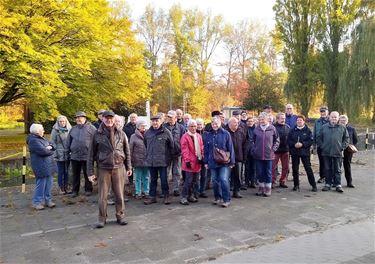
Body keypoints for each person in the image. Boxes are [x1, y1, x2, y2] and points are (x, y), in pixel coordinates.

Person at [87, 110, 132, 228]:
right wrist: (90, 172)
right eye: (106, 118)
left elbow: (127, 151)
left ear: (114, 119)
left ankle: (120, 216)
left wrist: (129, 166)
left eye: (111, 118)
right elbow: (91, 154)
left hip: (119, 167)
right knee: (103, 196)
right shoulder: (97, 134)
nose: (109, 120)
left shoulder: (121, 133)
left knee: (119, 195)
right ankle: (102, 218)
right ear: (103, 119)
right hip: (103, 168)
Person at [204, 116, 235, 208]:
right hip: (212, 162)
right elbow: (206, 149)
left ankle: (226, 199)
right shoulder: (208, 135)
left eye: (216, 123)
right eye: (213, 123)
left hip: (224, 162)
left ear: (220, 123)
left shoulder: (226, 134)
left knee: (223, 179)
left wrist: (232, 162)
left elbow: (230, 148)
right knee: (215, 180)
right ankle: (217, 198)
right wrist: (205, 162)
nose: (214, 125)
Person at [144, 114, 174, 205]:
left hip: (162, 161)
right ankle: (152, 197)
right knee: (152, 180)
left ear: (161, 121)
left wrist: (168, 158)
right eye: (153, 121)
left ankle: (166, 196)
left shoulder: (166, 132)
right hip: (151, 161)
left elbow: (171, 145)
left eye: (157, 121)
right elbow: (145, 144)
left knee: (164, 180)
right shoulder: (147, 133)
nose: (155, 122)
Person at [67, 111, 97, 197]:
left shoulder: (92, 128)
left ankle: (88, 189)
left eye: (79, 117)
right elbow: (69, 141)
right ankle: (75, 191)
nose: (77, 119)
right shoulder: (73, 129)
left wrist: (94, 154)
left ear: (84, 118)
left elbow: (96, 141)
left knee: (88, 173)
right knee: (75, 174)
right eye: (76, 118)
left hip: (87, 155)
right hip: (75, 156)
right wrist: (67, 151)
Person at [27, 124, 57, 210]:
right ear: (37, 131)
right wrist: (50, 149)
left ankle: (48, 200)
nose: (43, 131)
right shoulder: (33, 140)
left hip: (48, 165)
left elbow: (53, 144)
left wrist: (49, 147)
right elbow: (43, 152)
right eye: (42, 129)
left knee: (49, 184)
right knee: (40, 185)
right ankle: (37, 202)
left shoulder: (41, 138)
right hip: (40, 166)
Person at [318, 111, 349, 193]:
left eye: (335, 117)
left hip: (337, 152)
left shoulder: (342, 127)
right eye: (332, 117)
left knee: (337, 169)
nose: (334, 118)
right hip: (326, 152)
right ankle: (328, 184)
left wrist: (342, 147)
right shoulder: (324, 127)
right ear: (329, 117)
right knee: (327, 168)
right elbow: (319, 138)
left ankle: (338, 184)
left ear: (338, 118)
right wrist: (323, 146)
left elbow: (346, 139)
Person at [251, 112, 280, 197]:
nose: (261, 121)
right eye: (260, 119)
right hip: (258, 155)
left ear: (267, 119)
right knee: (260, 172)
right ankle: (261, 187)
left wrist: (273, 149)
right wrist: (254, 149)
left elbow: (277, 140)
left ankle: (268, 188)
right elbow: (252, 141)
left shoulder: (272, 128)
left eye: (263, 119)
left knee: (268, 172)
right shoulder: (256, 129)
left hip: (269, 155)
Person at [288, 115, 317, 192]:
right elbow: (288, 140)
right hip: (294, 152)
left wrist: (303, 144)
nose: (299, 121)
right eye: (298, 120)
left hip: (305, 152)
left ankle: (313, 185)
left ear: (304, 121)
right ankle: (296, 185)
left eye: (301, 120)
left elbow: (310, 141)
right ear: (296, 121)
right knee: (295, 169)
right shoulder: (292, 130)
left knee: (308, 168)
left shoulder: (308, 130)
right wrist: (294, 144)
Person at [180, 119, 204, 205]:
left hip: (197, 162)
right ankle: (184, 197)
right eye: (191, 126)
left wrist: (202, 157)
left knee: (195, 181)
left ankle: (191, 196)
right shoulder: (185, 137)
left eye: (194, 126)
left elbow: (201, 148)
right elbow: (184, 150)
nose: (193, 128)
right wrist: (187, 161)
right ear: (188, 127)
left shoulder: (198, 136)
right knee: (188, 181)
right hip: (189, 163)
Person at [164, 110, 185, 196]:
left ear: (175, 118)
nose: (169, 119)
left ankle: (176, 189)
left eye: (171, 117)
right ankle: (165, 189)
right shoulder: (163, 127)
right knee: (165, 172)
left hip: (177, 153)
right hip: (166, 153)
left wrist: (182, 151)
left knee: (177, 172)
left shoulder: (181, 128)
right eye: (168, 117)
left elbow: (183, 141)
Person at [226, 117, 247, 198]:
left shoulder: (241, 132)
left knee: (237, 176)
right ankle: (226, 192)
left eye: (237, 122)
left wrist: (244, 156)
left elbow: (245, 144)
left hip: (238, 157)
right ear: (230, 124)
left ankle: (236, 191)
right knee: (226, 177)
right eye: (235, 122)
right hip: (227, 159)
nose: (237, 124)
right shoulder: (226, 132)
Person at [51, 115, 72, 194]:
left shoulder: (70, 129)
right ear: (58, 122)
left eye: (63, 121)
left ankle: (67, 186)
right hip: (59, 153)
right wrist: (56, 151)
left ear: (66, 121)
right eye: (60, 121)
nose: (62, 123)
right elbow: (52, 142)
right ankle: (61, 187)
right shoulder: (55, 130)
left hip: (68, 152)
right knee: (61, 171)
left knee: (67, 171)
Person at [129, 120, 150, 199]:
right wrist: (130, 161)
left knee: (146, 177)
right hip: (137, 160)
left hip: (147, 160)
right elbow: (130, 149)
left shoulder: (148, 135)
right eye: (142, 126)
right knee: (137, 178)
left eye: (145, 125)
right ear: (138, 127)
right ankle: (138, 192)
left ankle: (146, 191)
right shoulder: (133, 136)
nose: (144, 127)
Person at [339, 115, 358, 188]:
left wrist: (351, 146)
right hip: (338, 150)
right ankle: (337, 183)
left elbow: (355, 140)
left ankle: (349, 182)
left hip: (348, 151)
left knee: (347, 166)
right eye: (341, 120)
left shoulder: (351, 129)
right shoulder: (336, 128)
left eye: (344, 120)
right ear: (339, 121)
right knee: (337, 167)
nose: (343, 121)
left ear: (347, 121)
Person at [272, 113, 290, 188]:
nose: (283, 120)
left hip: (285, 150)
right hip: (275, 151)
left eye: (284, 118)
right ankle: (272, 181)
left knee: (285, 167)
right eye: (282, 118)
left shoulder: (287, 127)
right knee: (273, 167)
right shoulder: (273, 127)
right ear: (277, 119)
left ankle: (283, 181)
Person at [313, 106, 330, 183]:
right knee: (321, 162)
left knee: (329, 161)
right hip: (320, 145)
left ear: (327, 112)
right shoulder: (317, 121)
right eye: (321, 111)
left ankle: (329, 177)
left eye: (324, 111)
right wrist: (314, 145)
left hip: (329, 145)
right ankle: (322, 177)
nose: (323, 113)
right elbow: (314, 133)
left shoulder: (330, 120)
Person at [195, 118, 208, 197]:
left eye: (201, 124)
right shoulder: (193, 134)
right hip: (196, 158)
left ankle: (202, 190)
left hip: (205, 157)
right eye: (198, 124)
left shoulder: (207, 134)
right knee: (196, 176)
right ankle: (196, 190)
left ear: (203, 125)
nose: (199, 126)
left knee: (204, 175)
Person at [245, 115, 257, 188]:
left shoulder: (256, 129)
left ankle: (253, 181)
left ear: (254, 122)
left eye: (251, 121)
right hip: (246, 151)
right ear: (246, 122)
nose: (250, 123)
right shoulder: (244, 129)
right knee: (247, 167)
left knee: (254, 167)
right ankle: (246, 182)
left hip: (255, 151)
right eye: (249, 121)